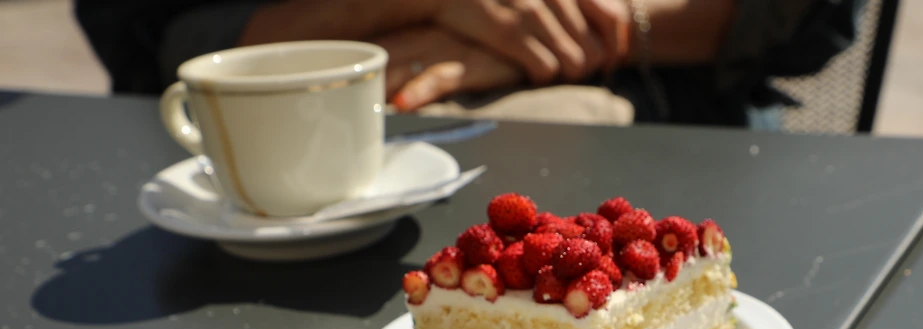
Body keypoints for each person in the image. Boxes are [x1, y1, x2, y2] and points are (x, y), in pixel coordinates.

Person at [75, 0, 856, 127]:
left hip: (670, 130)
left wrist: (601, 27)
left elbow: (813, 21)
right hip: (288, 141)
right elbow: (150, 35)